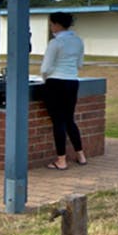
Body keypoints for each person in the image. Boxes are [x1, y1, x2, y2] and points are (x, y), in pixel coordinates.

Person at [41, 11, 87, 170]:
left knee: (58, 122)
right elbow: (80, 64)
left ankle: (61, 159)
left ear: (58, 24)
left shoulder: (55, 43)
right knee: (69, 120)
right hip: (72, 82)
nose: (51, 27)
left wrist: (45, 77)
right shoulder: (78, 41)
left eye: (52, 24)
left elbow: (46, 67)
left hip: (55, 83)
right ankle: (80, 154)